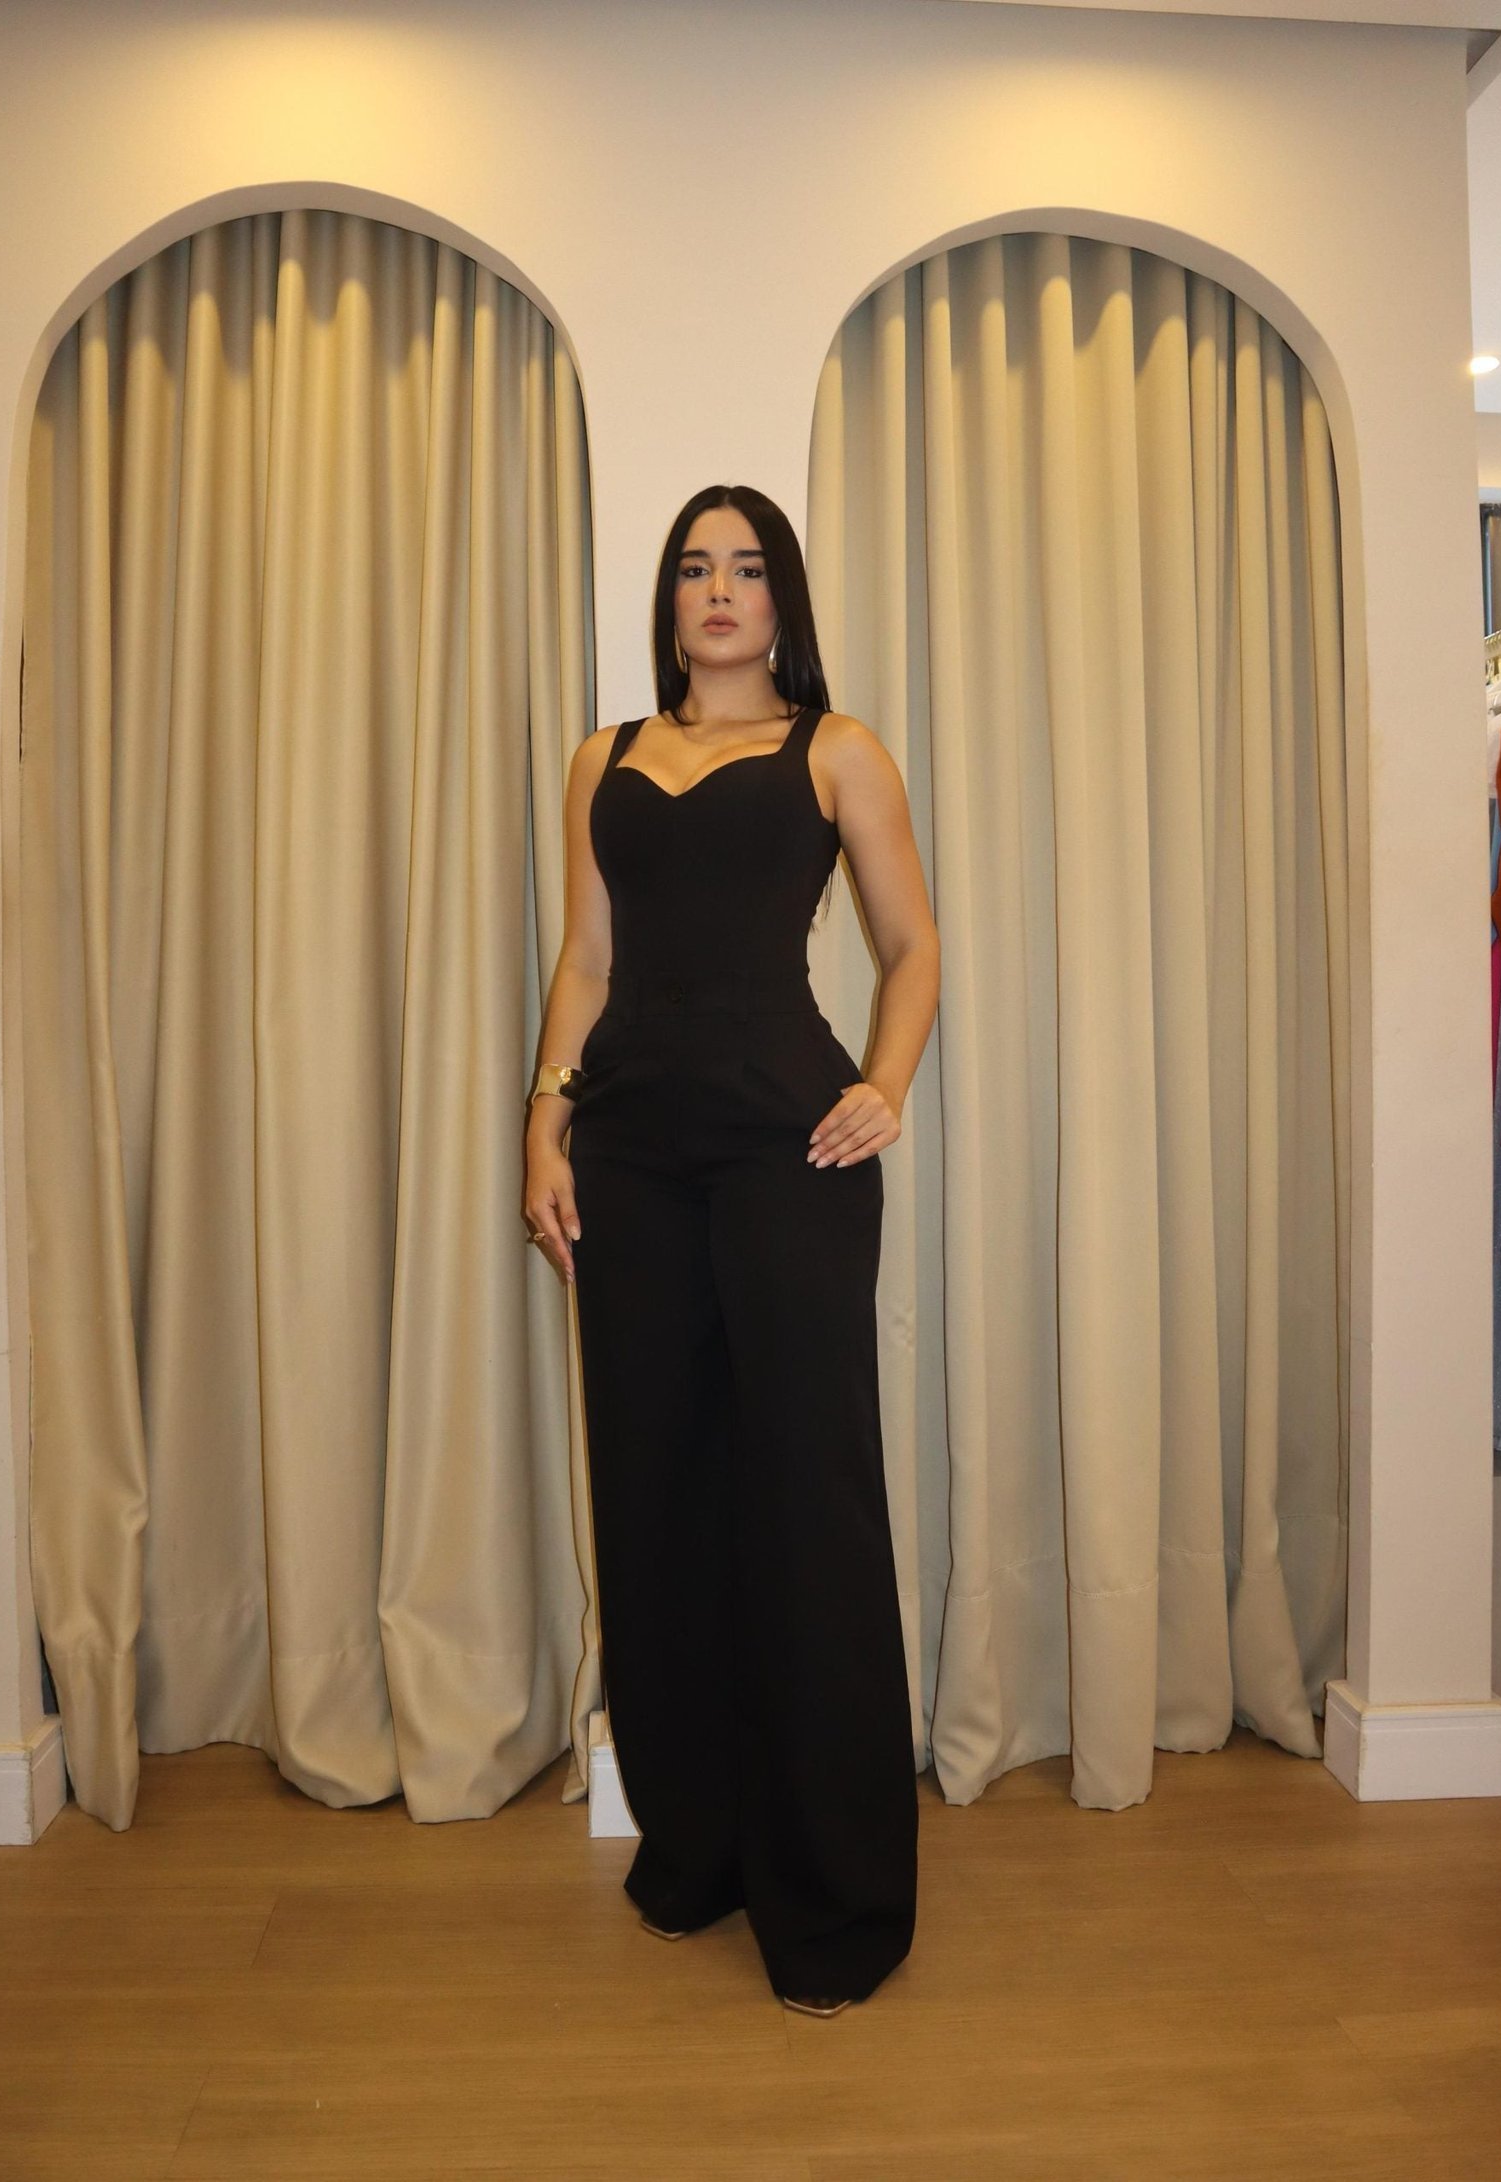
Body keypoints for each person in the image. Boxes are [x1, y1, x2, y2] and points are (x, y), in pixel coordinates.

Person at [522, 483, 940, 2014]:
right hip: (630, 1158)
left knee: (804, 1502)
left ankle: (836, 1899)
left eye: (747, 568)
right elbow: (587, 960)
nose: (719, 590)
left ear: (781, 599)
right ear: (671, 597)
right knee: (658, 1494)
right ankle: (697, 1848)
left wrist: (886, 1082)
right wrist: (543, 1118)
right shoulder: (604, 759)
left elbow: (913, 943)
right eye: (696, 567)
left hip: (787, 1153)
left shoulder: (838, 750)